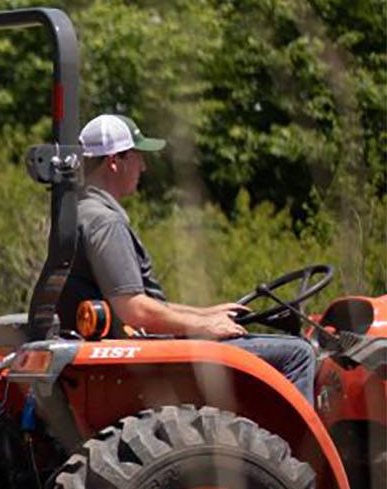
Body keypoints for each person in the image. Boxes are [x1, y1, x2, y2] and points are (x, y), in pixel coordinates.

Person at [60, 113, 317, 402]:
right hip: (145, 351)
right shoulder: (106, 222)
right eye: (138, 157)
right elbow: (134, 309)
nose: (143, 167)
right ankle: (291, 448)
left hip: (130, 343)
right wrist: (201, 326)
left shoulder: (79, 212)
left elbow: (141, 303)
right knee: (299, 353)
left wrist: (205, 313)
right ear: (115, 161)